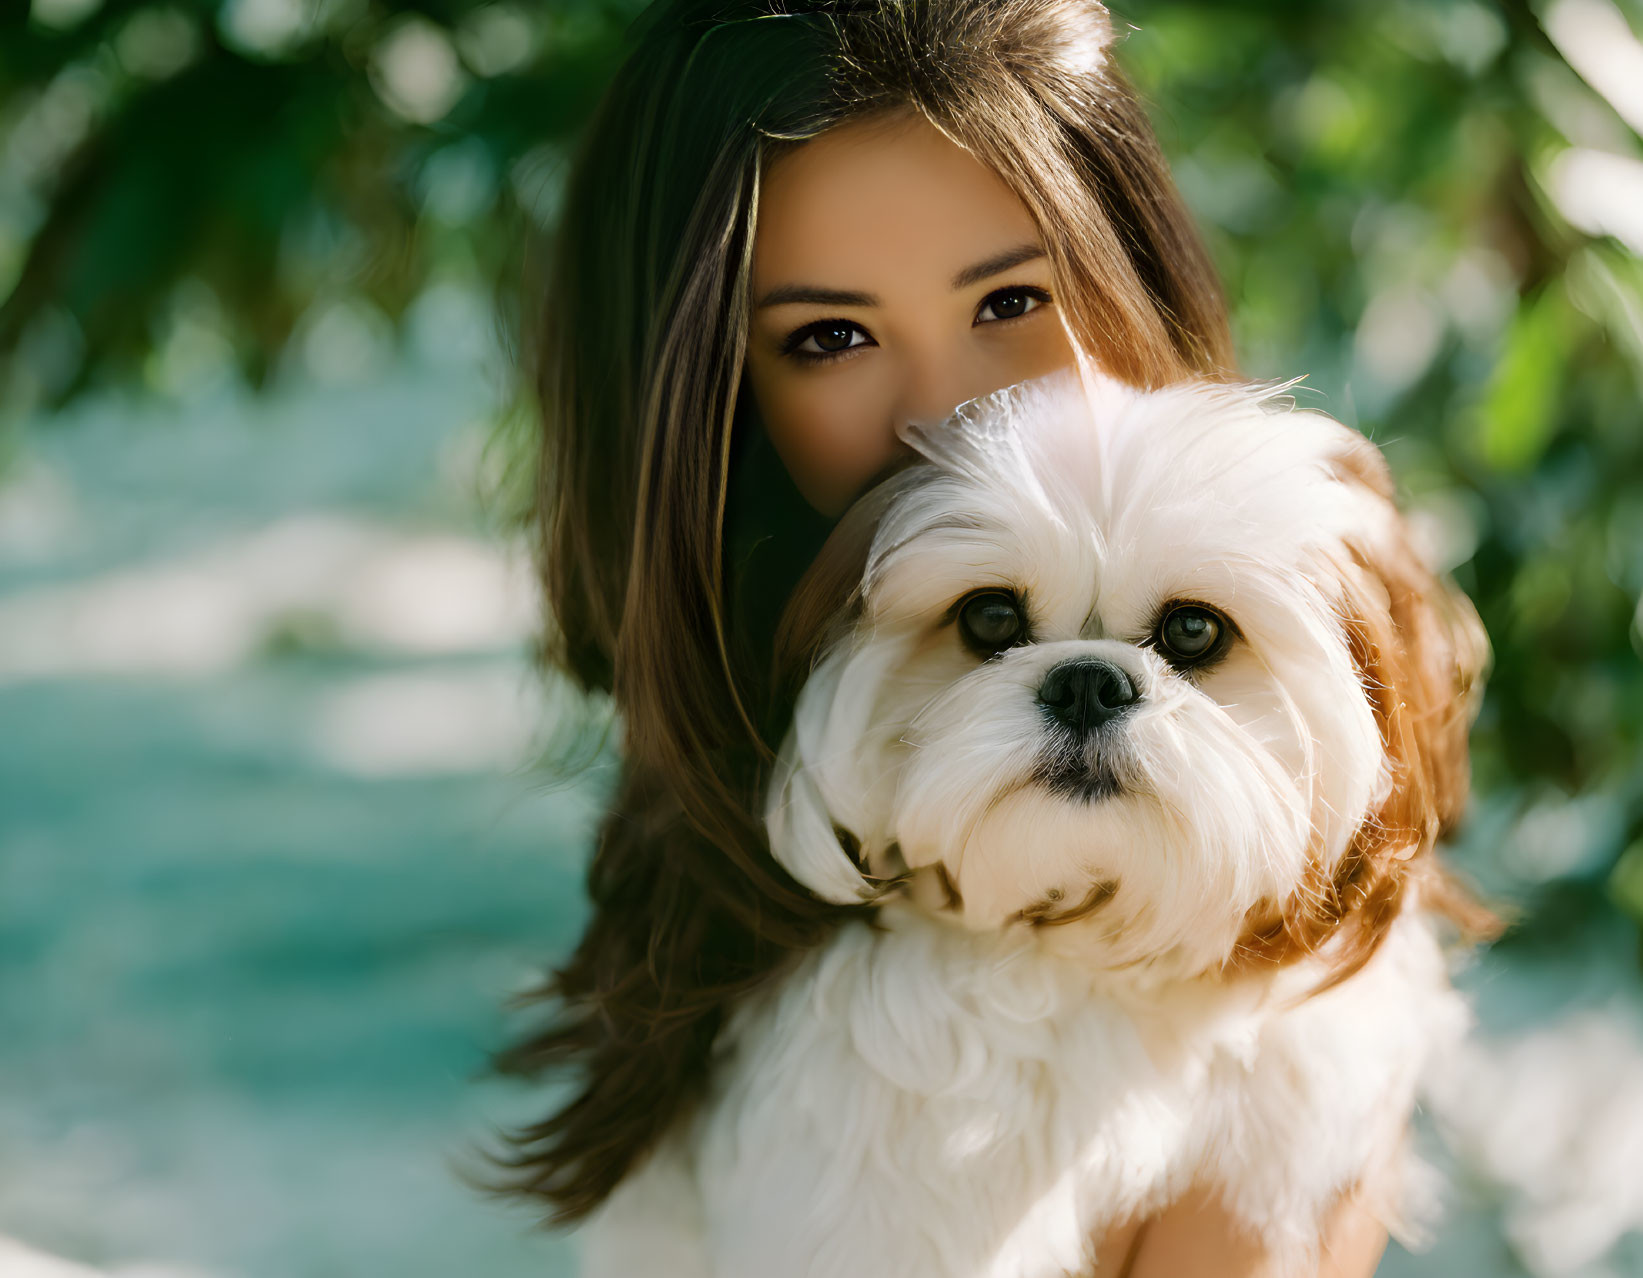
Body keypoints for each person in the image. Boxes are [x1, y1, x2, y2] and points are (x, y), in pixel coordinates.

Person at [488, 0, 1394, 1272]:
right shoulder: (715, 869)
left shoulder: (1296, 1007)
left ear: (1133, 279)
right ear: (708, 409)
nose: (945, 413)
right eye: (830, 338)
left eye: (1009, 298)